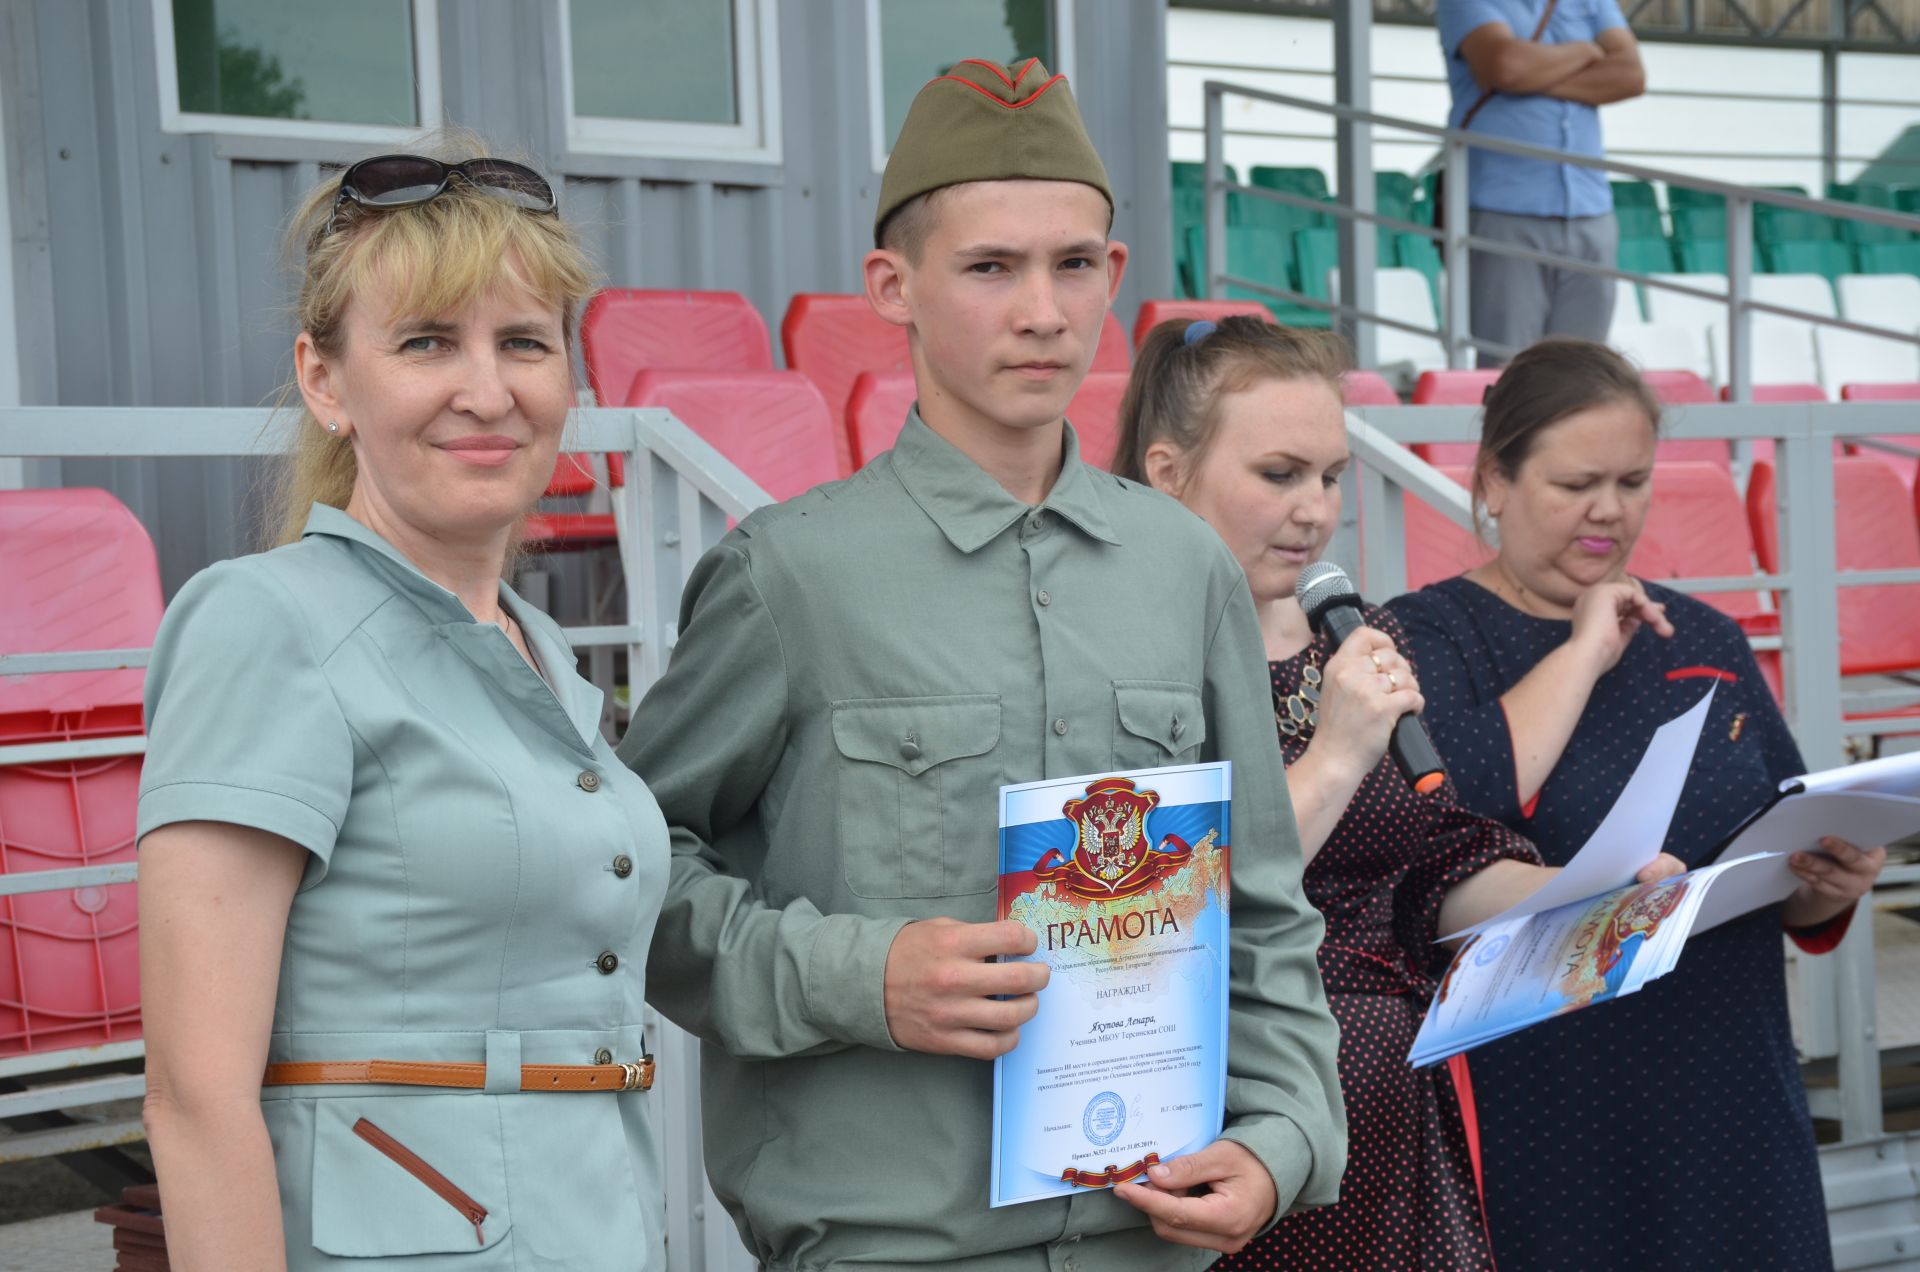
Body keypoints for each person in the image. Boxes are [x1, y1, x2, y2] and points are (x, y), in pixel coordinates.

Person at [621, 59, 1344, 1269]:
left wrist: (1282, 1138)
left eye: (1073, 265)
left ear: (1115, 277)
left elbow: (1261, 905)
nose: (1042, 311)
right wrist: (863, 976)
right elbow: (633, 889)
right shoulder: (790, 576)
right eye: (989, 268)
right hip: (895, 1244)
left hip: (1149, 1236)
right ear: (892, 288)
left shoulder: (1186, 568)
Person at [136, 147, 671, 1269]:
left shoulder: (544, 650)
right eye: (427, 341)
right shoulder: (266, 623)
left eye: (524, 342)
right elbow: (196, 1098)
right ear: (327, 383)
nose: (488, 390)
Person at [1113, 316, 1681, 1270]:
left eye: (1331, 476)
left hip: (1384, 1109)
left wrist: (1587, 894)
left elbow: (1435, 860)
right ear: (1169, 473)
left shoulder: (1353, 631)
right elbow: (1154, 905)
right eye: (1278, 474)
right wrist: (1334, 751)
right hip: (1227, 1111)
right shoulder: (1124, 660)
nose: (1314, 510)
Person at [1386, 338, 1886, 1270]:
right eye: (1576, 483)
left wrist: (1831, 880)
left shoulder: (1703, 634)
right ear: (1494, 481)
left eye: (1632, 482)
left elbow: (1781, 857)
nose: (1608, 512)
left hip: (1727, 1073)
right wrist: (1582, 648)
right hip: (1547, 1096)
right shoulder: (1427, 634)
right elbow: (1453, 805)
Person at [1434, 0, 1646, 365]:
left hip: (1589, 210)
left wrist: (1535, 74)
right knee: (1507, 368)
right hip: (1502, 209)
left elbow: (1630, 75)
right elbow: (1508, 66)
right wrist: (1587, 51)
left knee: (1581, 371)